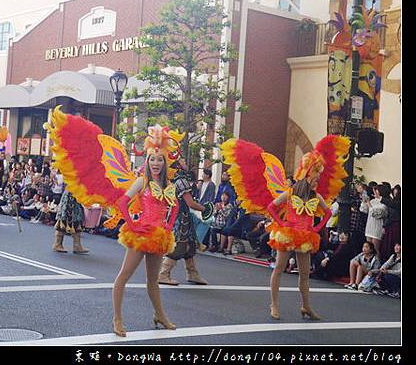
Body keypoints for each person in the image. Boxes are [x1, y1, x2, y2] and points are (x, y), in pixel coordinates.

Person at [45, 106, 183, 337]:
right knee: (124, 276)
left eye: (160, 160)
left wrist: (168, 227)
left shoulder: (168, 186)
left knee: (153, 282)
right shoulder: (141, 182)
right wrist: (133, 223)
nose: (156, 163)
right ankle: (117, 319)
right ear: (147, 161)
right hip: (140, 233)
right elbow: (122, 204)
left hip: (159, 237)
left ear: (165, 162)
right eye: (152, 159)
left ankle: (161, 315)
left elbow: (175, 206)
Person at [221, 134, 350, 321]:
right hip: (288, 234)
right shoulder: (289, 193)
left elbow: (328, 213)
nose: (318, 179)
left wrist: (316, 228)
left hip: (305, 236)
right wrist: (281, 223)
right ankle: (273, 304)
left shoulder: (315, 196)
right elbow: (272, 207)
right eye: (316, 175)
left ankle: (306, 306)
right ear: (307, 175)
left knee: (305, 273)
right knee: (279, 269)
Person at [158, 157, 214, 286]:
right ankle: (163, 273)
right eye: (182, 161)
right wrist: (205, 209)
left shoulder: (177, 179)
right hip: (180, 218)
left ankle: (192, 274)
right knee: (179, 245)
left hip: (182, 216)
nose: (185, 162)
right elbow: (190, 203)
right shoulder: (181, 180)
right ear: (177, 166)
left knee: (190, 246)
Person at [361, 184, 389, 258]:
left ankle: (377, 264)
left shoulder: (385, 203)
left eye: (376, 190)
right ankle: (368, 265)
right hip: (369, 226)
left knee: (375, 249)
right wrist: (364, 201)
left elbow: (377, 213)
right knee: (368, 249)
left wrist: (369, 204)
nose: (375, 192)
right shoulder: (373, 201)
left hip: (377, 227)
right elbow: (364, 210)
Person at [380, 185, 401, 261]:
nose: (395, 193)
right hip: (389, 225)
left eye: (397, 192)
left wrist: (380, 198)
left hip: (396, 225)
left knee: (394, 242)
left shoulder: (398, 203)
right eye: (394, 191)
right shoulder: (392, 201)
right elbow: (388, 215)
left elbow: (393, 205)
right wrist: (384, 226)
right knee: (387, 243)